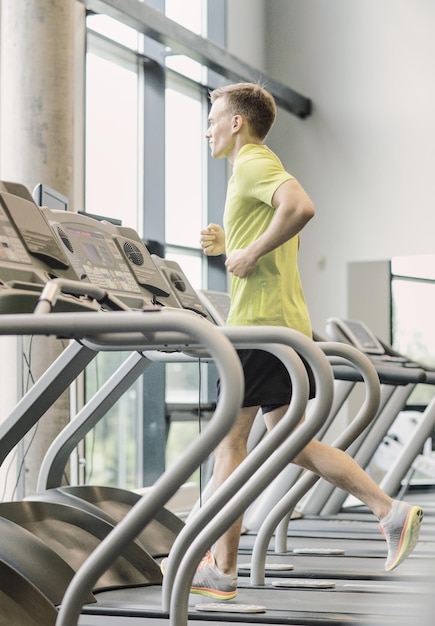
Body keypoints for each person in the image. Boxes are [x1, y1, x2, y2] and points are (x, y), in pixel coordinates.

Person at [162, 82, 423, 601]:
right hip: (280, 324)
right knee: (292, 442)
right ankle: (389, 511)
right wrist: (230, 247)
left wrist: (250, 250)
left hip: (258, 329)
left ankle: (223, 568)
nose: (207, 127)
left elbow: (301, 207)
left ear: (237, 122)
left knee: (229, 445)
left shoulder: (254, 162)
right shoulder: (251, 171)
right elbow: (271, 244)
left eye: (213, 117)